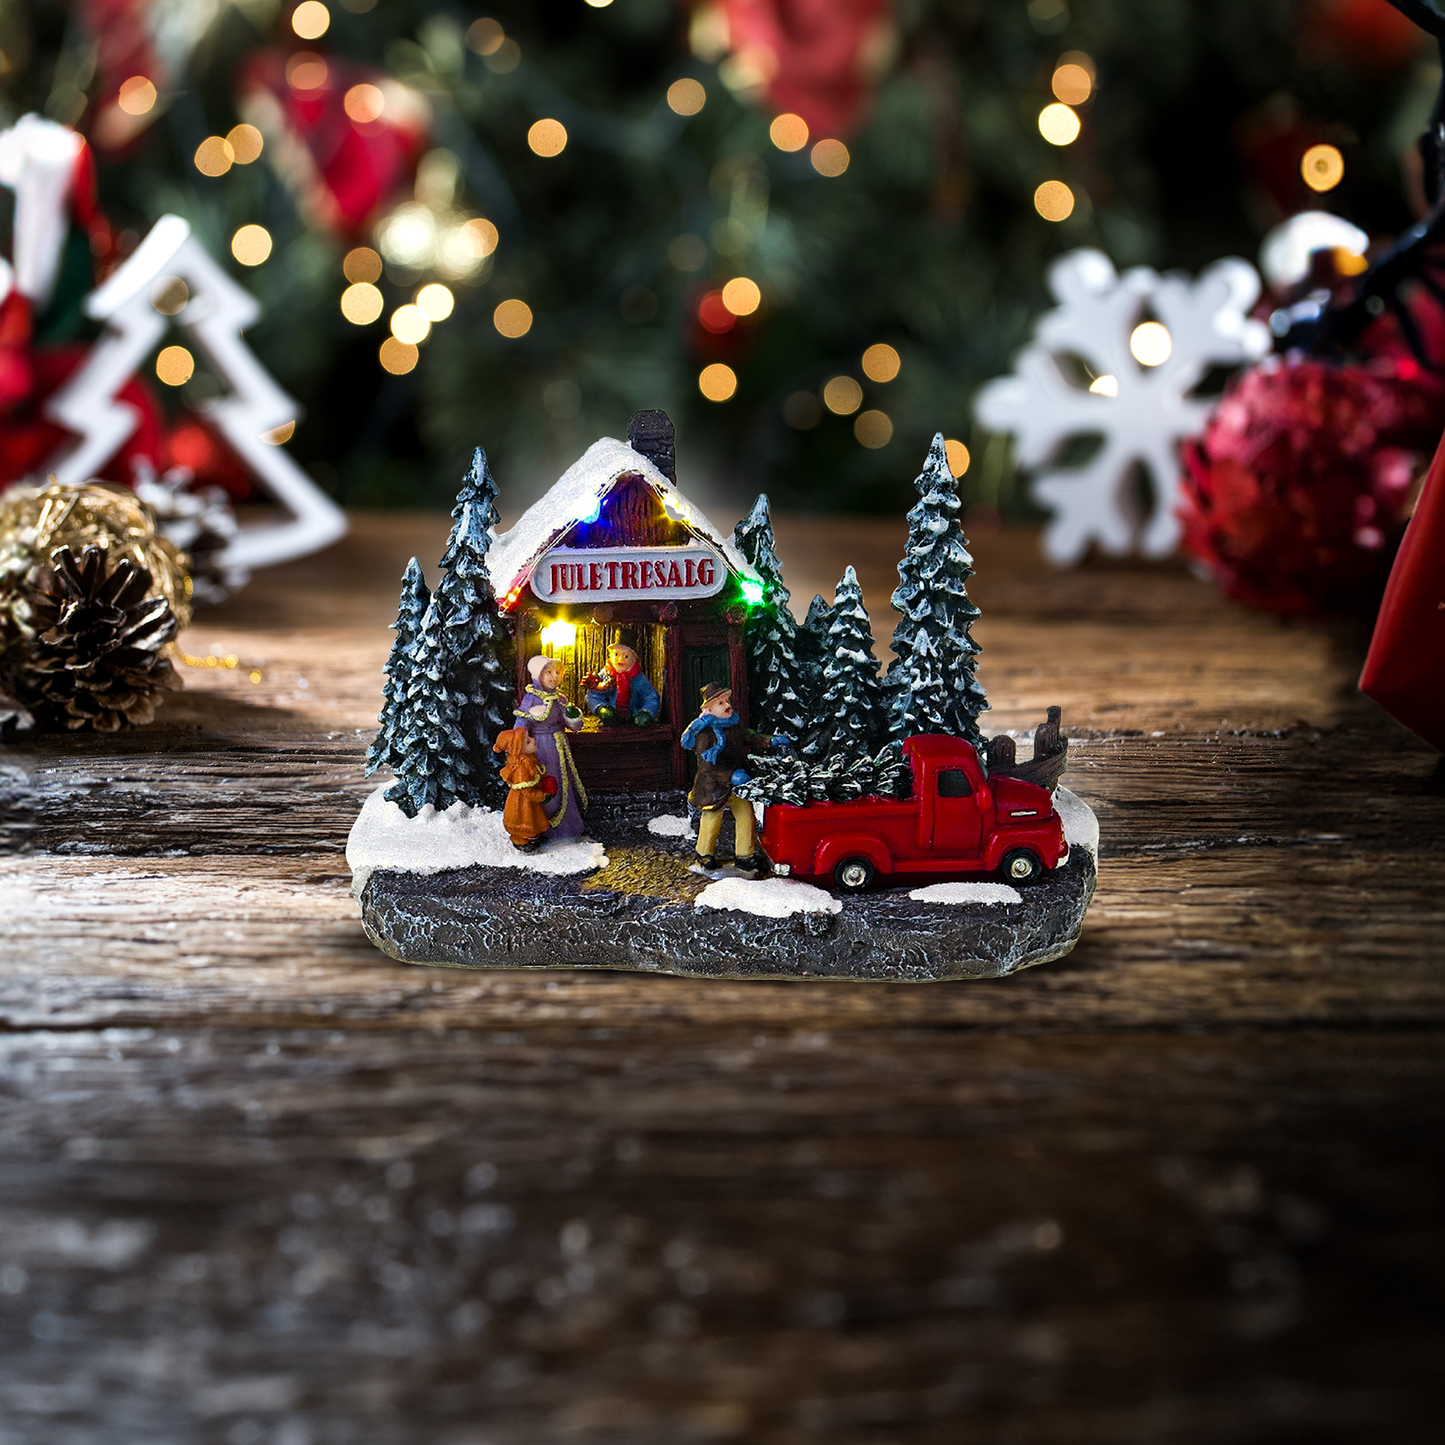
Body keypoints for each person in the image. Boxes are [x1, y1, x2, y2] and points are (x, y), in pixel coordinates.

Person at [680, 681, 790, 872]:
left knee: (746, 815)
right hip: (714, 785)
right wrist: (731, 776)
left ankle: (744, 855)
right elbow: (707, 767)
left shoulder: (732, 724)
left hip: (738, 783)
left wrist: (769, 741)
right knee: (712, 818)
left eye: (727, 700)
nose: (727, 705)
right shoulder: (706, 733)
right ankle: (704, 854)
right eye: (721, 703)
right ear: (709, 708)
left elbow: (748, 737)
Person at [515, 656, 587, 838]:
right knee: (545, 783)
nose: (554, 677)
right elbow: (522, 723)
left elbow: (574, 726)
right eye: (549, 672)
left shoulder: (559, 699)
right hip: (540, 747)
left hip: (559, 746)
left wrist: (573, 717)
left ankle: (566, 827)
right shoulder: (531, 699)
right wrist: (519, 744)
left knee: (562, 782)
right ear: (538, 674)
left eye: (558, 673)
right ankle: (541, 826)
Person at [492, 727, 555, 851]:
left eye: (529, 738)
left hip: (530, 802)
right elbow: (527, 791)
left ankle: (533, 837)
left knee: (534, 818)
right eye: (527, 742)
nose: (533, 741)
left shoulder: (529, 761)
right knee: (526, 819)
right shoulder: (521, 769)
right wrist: (543, 796)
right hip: (523, 802)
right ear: (518, 749)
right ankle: (524, 841)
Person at [583, 632, 660, 726]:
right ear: (610, 656)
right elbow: (592, 695)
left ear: (634, 659)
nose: (620, 660)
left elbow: (650, 696)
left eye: (626, 657)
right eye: (616, 654)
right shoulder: (605, 674)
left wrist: (647, 712)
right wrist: (600, 708)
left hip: (632, 715)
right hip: (610, 710)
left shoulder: (638, 678)